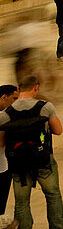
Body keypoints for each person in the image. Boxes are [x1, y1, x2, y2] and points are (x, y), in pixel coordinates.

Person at [0, 75, 63, 229]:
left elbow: (1, 142)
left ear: (18, 88)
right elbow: (58, 130)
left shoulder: (5, 114)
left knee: (21, 201)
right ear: (36, 88)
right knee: (52, 195)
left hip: (18, 164)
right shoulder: (45, 107)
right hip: (43, 160)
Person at [0, 84, 15, 215]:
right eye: (13, 98)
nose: (15, 103)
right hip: (1, 168)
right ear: (4, 97)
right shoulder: (3, 116)